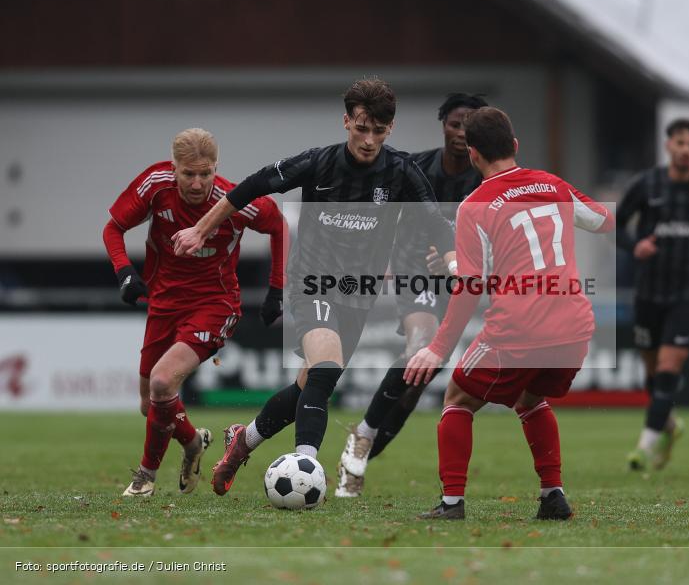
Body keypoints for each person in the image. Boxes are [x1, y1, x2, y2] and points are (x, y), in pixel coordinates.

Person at [171, 78, 456, 496]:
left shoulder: (400, 171)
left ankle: (243, 440)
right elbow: (250, 187)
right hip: (312, 284)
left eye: (378, 131)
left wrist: (453, 261)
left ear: (389, 130)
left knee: (309, 385)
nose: (369, 139)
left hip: (358, 295)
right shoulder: (317, 163)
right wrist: (200, 229)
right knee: (324, 371)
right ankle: (307, 464)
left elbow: (436, 221)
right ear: (346, 122)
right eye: (361, 128)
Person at [404, 107, 615, 520]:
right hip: (574, 327)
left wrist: (438, 348)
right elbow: (605, 221)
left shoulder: (474, 205)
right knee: (529, 397)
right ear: (515, 146)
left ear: (474, 156)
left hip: (520, 329)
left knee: (458, 399)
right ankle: (553, 496)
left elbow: (470, 285)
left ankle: (451, 504)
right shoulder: (552, 184)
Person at [103, 127, 286, 497]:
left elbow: (278, 225)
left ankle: (145, 477)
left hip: (214, 304)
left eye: (206, 173)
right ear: (174, 168)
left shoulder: (234, 199)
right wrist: (124, 273)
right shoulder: (156, 186)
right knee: (149, 403)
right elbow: (113, 228)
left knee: (161, 382)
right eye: (189, 174)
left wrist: (277, 288)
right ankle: (192, 443)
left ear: (216, 168)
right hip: (164, 302)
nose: (198, 183)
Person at [335, 93, 488, 498]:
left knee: (419, 381)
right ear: (443, 125)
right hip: (413, 274)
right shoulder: (414, 166)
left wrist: (465, 259)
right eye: (455, 123)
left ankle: (358, 458)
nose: (461, 132)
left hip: (458, 285)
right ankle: (364, 435)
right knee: (422, 347)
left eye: (470, 126)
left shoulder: (486, 180)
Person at [615, 118, 689, 471]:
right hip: (650, 290)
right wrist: (636, 245)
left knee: (668, 368)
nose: (686, 150)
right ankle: (670, 426)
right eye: (680, 142)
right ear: (668, 146)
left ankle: (644, 445)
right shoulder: (646, 185)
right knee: (652, 373)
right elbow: (616, 225)